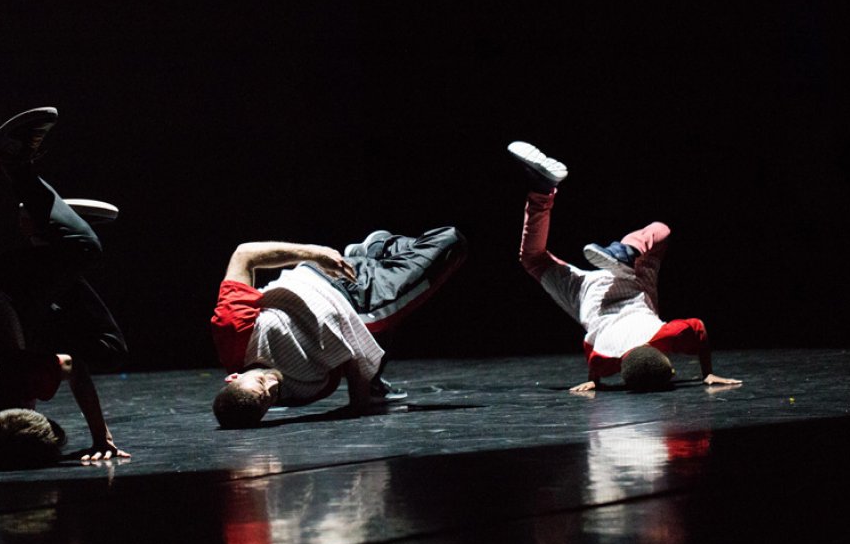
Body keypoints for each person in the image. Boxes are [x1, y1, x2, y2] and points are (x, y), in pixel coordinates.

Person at [0, 107, 129, 466]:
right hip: (8, 324)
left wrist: (101, 437)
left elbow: (71, 365)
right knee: (109, 349)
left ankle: (11, 159)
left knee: (84, 249)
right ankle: (51, 226)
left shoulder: (9, 383)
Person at [508, 140, 742, 393]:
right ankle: (542, 191)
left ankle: (627, 251)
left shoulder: (666, 335)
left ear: (668, 365)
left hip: (631, 283)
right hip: (588, 297)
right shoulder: (604, 361)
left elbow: (698, 327)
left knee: (660, 231)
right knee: (533, 259)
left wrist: (707, 372)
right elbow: (592, 354)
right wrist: (594, 381)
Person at [210, 227, 467, 427]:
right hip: (362, 303)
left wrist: (314, 253)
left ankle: (374, 252)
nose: (271, 387)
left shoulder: (234, 334)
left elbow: (244, 255)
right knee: (451, 242)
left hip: (323, 272)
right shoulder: (300, 392)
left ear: (234, 377)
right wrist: (361, 403)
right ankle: (374, 251)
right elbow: (349, 356)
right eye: (267, 399)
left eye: (260, 383)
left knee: (442, 247)